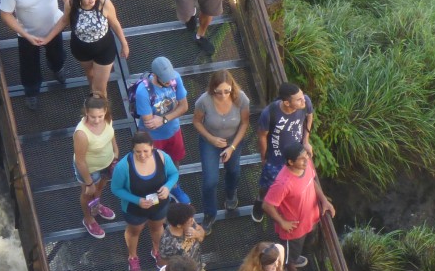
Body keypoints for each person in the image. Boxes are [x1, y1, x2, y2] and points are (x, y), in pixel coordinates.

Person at [0, 0, 68, 110]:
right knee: (29, 65)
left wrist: (67, 5)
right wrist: (25, 35)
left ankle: (57, 68)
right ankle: (31, 91)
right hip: (28, 34)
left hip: (54, 26)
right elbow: (6, 14)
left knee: (57, 54)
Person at [110, 131, 178, 271]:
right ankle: (133, 257)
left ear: (152, 148)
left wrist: (167, 187)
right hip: (135, 209)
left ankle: (157, 251)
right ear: (132, 150)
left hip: (159, 205)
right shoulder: (123, 167)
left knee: (157, 227)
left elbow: (174, 174)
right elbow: (115, 189)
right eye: (138, 152)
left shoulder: (162, 157)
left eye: (146, 151)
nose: (142, 155)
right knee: (134, 232)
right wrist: (137, 200)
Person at [192, 69, 250, 231]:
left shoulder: (241, 99)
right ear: (213, 89)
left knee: (234, 171)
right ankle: (210, 213)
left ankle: (231, 193)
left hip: (233, 141)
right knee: (210, 181)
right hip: (210, 141)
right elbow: (196, 121)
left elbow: (245, 123)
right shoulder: (204, 101)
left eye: (227, 91)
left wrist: (231, 147)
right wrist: (211, 139)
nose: (224, 95)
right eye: (219, 92)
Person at [261, 143, 335, 270]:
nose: (306, 159)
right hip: (293, 230)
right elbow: (267, 205)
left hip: (310, 220)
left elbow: (312, 182)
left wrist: (323, 200)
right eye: (301, 158)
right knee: (290, 257)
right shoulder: (283, 183)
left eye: (305, 155)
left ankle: (296, 257)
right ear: (290, 162)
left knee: (303, 246)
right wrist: (282, 222)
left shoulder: (306, 165)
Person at [252, 82, 314, 223]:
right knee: (268, 184)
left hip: (296, 154)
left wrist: (306, 139)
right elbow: (262, 135)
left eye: (302, 96)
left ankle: (282, 210)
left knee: (293, 183)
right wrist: (264, 156)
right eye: (298, 99)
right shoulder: (270, 113)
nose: (303, 100)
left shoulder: (305, 102)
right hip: (275, 158)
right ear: (287, 103)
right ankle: (260, 201)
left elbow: (309, 115)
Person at [62, 0, 128, 97]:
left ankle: (101, 110)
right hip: (81, 49)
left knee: (100, 90)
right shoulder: (71, 5)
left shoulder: (104, 4)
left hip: (104, 49)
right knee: (90, 75)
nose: (92, 0)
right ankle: (93, 93)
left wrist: (124, 44)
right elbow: (64, 21)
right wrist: (47, 38)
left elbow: (115, 23)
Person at [72, 94, 118, 239]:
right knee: (87, 194)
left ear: (105, 111)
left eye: (100, 116)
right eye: (93, 117)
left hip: (107, 162)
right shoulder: (82, 133)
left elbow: (111, 135)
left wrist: (115, 152)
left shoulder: (107, 118)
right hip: (90, 170)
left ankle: (97, 207)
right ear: (86, 112)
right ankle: (88, 219)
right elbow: (80, 161)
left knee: (100, 188)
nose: (97, 120)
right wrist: (89, 182)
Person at [134, 56, 190, 166]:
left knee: (175, 162)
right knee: (155, 166)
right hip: (153, 138)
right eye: (165, 79)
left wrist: (163, 119)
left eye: (170, 77)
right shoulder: (143, 91)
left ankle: (174, 182)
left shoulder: (175, 78)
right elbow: (151, 124)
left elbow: (184, 106)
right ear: (155, 75)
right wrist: (175, 110)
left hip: (173, 131)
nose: (170, 81)